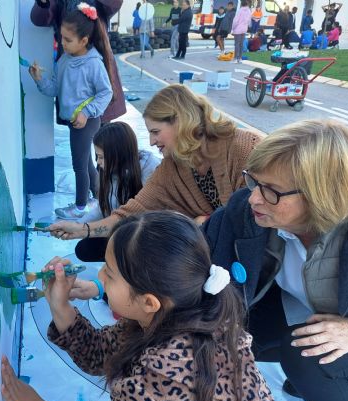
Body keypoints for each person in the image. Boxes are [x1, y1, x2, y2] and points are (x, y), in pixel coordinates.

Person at [0, 211, 295, 401]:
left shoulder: (159, 390)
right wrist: (60, 307)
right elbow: (102, 353)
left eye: (110, 273)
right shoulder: (190, 312)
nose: (99, 277)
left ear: (150, 302)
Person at [203, 119, 348, 401]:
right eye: (254, 180)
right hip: (310, 311)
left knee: (305, 353)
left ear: (321, 195)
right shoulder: (247, 210)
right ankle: (308, 378)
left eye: (271, 190)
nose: (253, 197)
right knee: (228, 331)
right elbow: (203, 264)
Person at [46, 84, 262, 262]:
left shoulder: (244, 148)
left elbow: (254, 218)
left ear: (182, 121)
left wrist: (206, 222)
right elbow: (130, 212)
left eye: (156, 132)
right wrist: (82, 229)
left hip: (256, 258)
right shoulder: (171, 167)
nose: (150, 141)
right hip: (208, 255)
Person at [29, 5, 113, 220]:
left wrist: (86, 112)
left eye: (68, 40)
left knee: (79, 165)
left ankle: (80, 207)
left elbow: (106, 93)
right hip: (74, 121)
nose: (63, 43)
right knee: (85, 162)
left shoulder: (94, 64)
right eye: (61, 38)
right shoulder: (65, 58)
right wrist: (39, 79)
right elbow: (55, 88)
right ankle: (100, 197)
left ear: (84, 40)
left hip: (87, 122)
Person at [30, 0, 126, 124]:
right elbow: (39, 19)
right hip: (71, 71)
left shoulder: (95, 63)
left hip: (98, 60)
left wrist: (87, 111)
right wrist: (43, 2)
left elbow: (114, 4)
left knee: (104, 134)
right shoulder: (64, 62)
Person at [76, 122, 160, 261]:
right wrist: (77, 225)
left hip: (143, 236)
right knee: (84, 249)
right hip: (119, 229)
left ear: (118, 154)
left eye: (101, 157)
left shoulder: (150, 170)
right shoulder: (109, 171)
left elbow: (149, 217)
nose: (98, 162)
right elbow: (102, 208)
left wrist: (84, 229)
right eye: (97, 156)